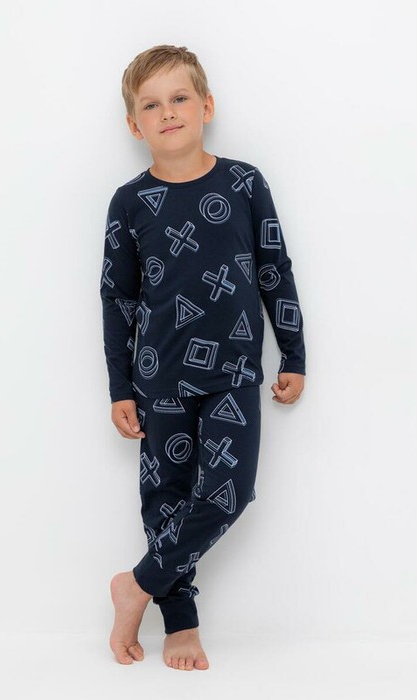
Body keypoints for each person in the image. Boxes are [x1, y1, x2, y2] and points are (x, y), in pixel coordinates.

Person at [100, 44, 306, 671]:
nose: (167, 112)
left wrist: (293, 351)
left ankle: (136, 584)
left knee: (228, 494)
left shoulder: (244, 182)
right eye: (151, 105)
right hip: (158, 376)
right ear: (134, 125)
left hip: (234, 371)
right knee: (166, 497)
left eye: (180, 98)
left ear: (206, 106)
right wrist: (120, 386)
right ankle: (180, 624)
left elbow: (274, 269)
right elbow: (117, 299)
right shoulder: (130, 202)